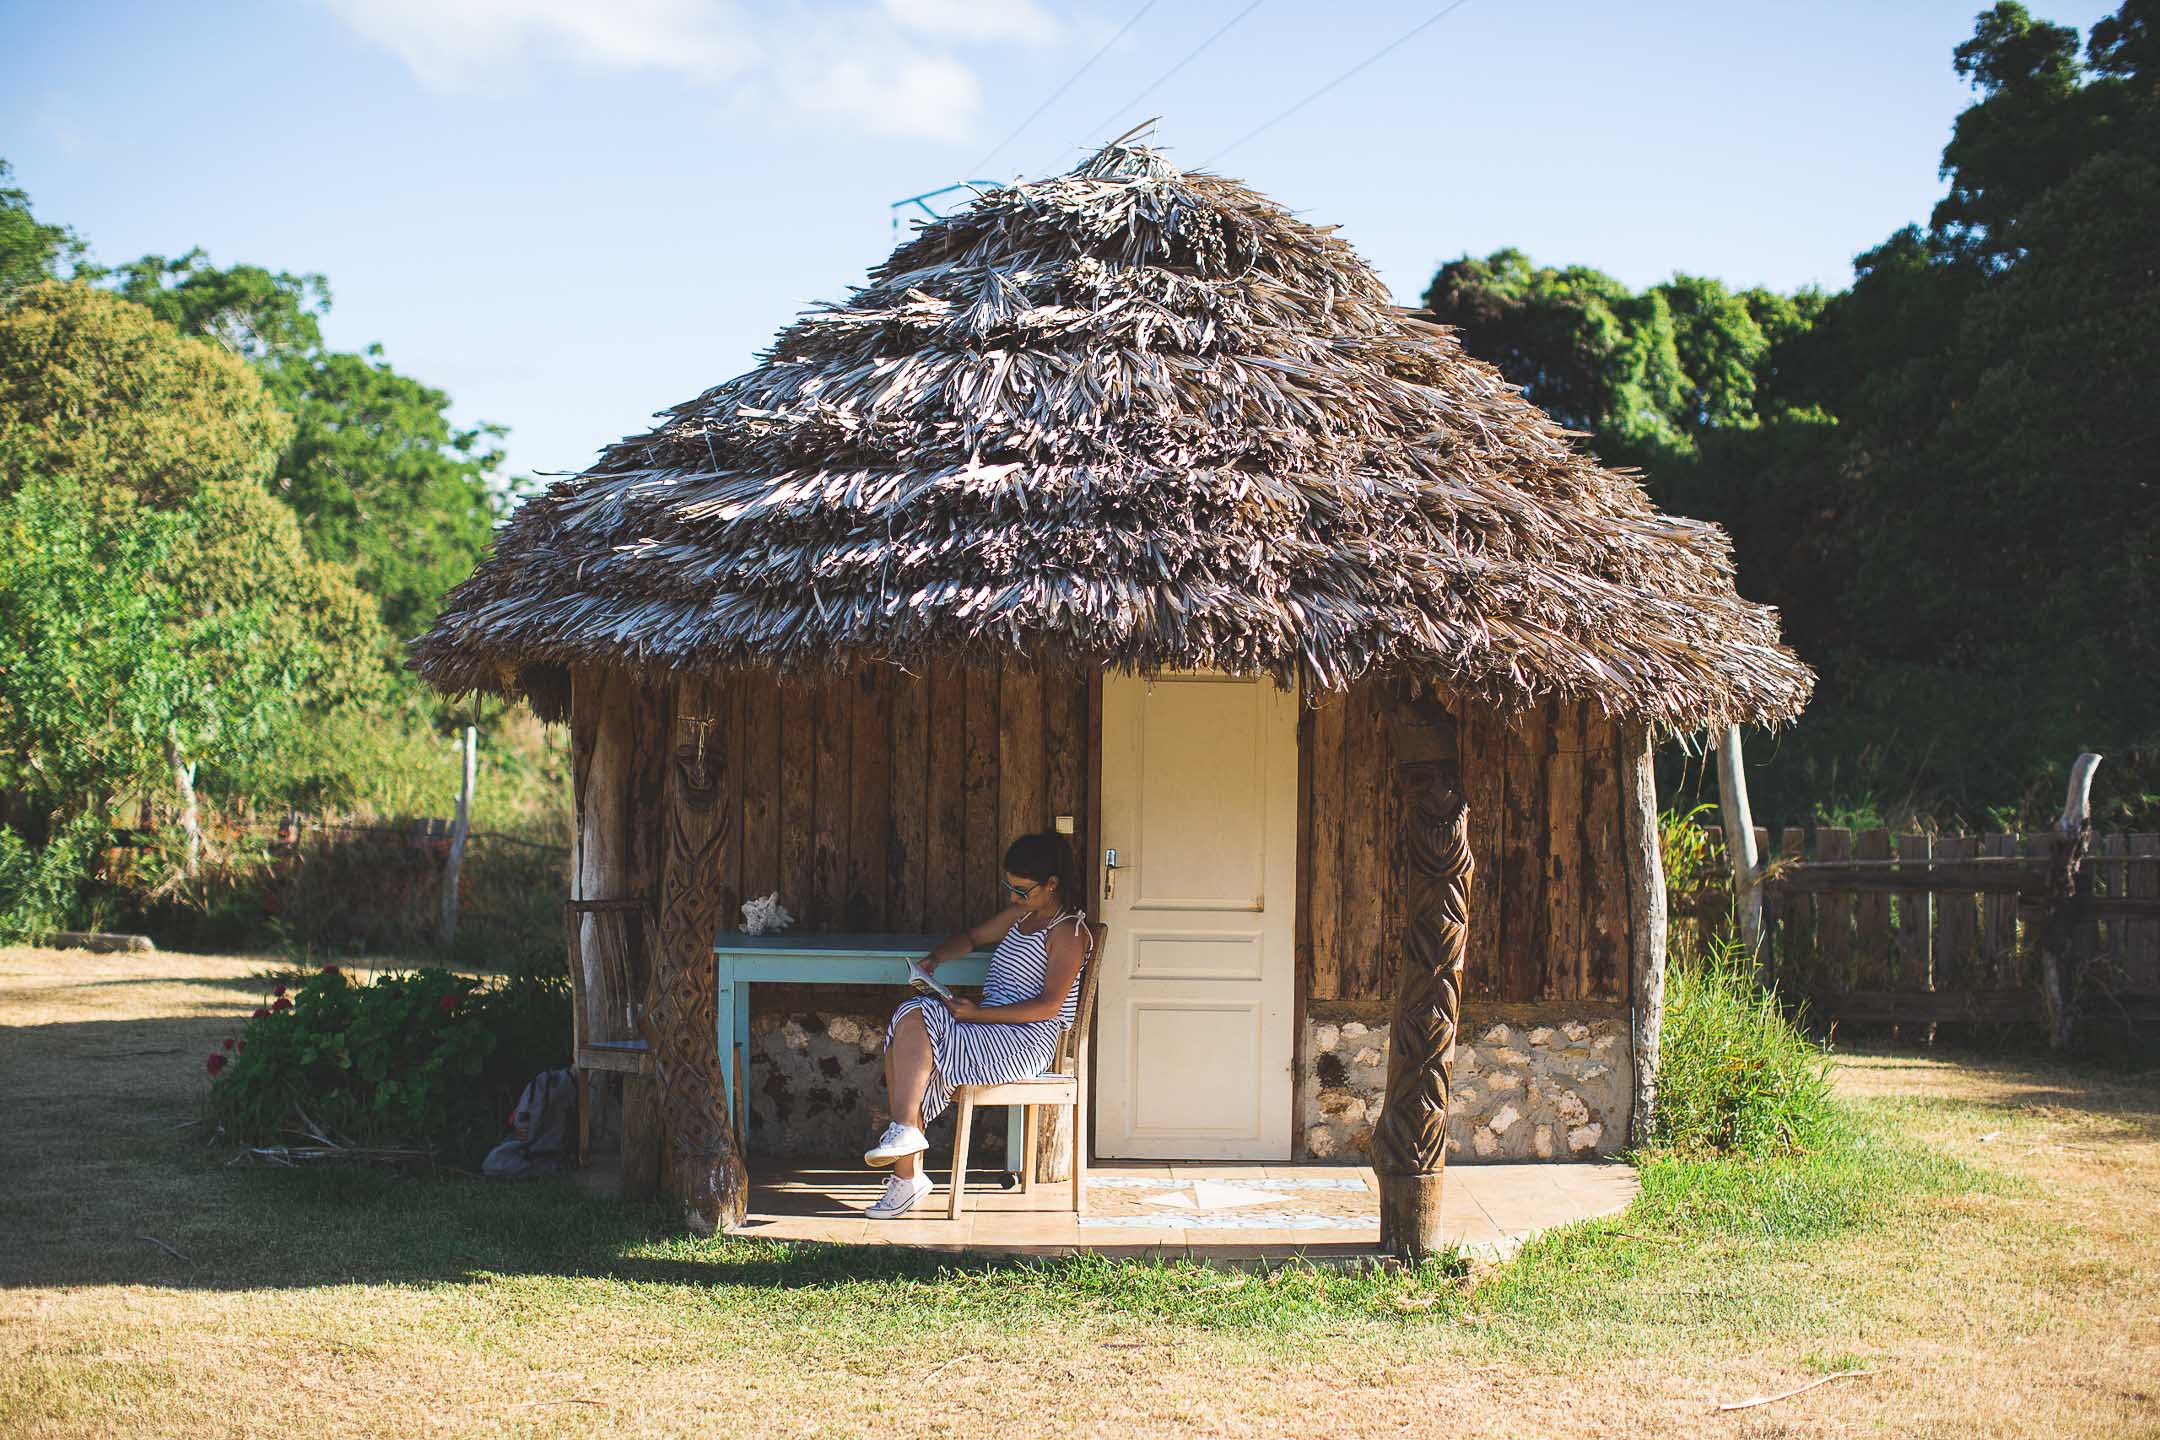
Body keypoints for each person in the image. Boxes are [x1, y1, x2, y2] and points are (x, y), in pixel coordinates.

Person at [863, 831, 1092, 1219]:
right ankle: (905, 1142)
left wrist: (976, 1014)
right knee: (911, 1015)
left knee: (920, 1027)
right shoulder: (1021, 916)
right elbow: (972, 938)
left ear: (1052, 884)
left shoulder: (1067, 933)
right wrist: (935, 959)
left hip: (1024, 1042)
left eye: (1022, 890)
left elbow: (1048, 1007)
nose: (1013, 897)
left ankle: (907, 1172)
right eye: (1008, 886)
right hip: (986, 1028)